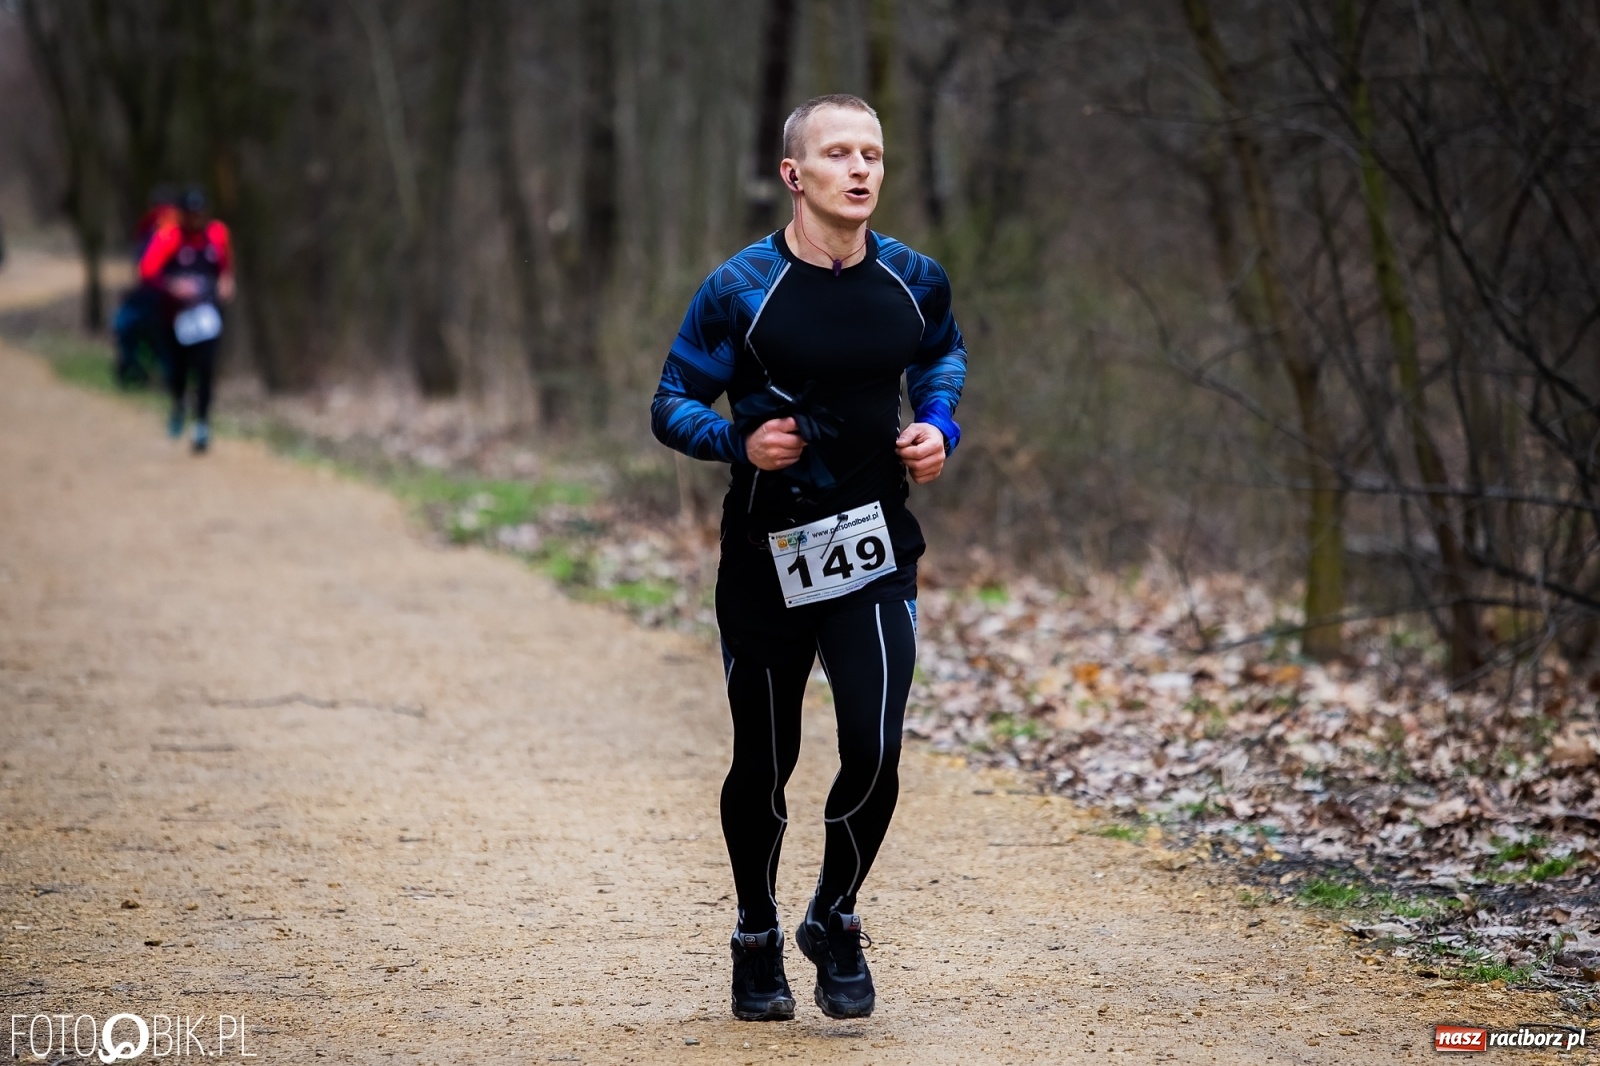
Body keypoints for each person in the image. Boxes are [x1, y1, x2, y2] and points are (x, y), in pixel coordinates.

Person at [651, 93, 966, 1022]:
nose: (861, 169)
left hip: (872, 548)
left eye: (873, 153)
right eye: (838, 153)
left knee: (874, 747)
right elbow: (671, 401)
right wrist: (733, 446)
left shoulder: (914, 278)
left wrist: (939, 426)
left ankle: (833, 914)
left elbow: (942, 357)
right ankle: (756, 931)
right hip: (764, 554)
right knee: (767, 760)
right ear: (795, 175)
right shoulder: (740, 289)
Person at [138, 186, 235, 453]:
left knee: (206, 369)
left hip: (206, 316)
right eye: (190, 214)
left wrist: (226, 284)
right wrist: (172, 286)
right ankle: (179, 403)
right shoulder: (168, 236)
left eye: (199, 213)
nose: (195, 219)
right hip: (175, 317)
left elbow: (225, 268)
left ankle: (202, 423)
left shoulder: (216, 235)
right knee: (179, 369)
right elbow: (147, 272)